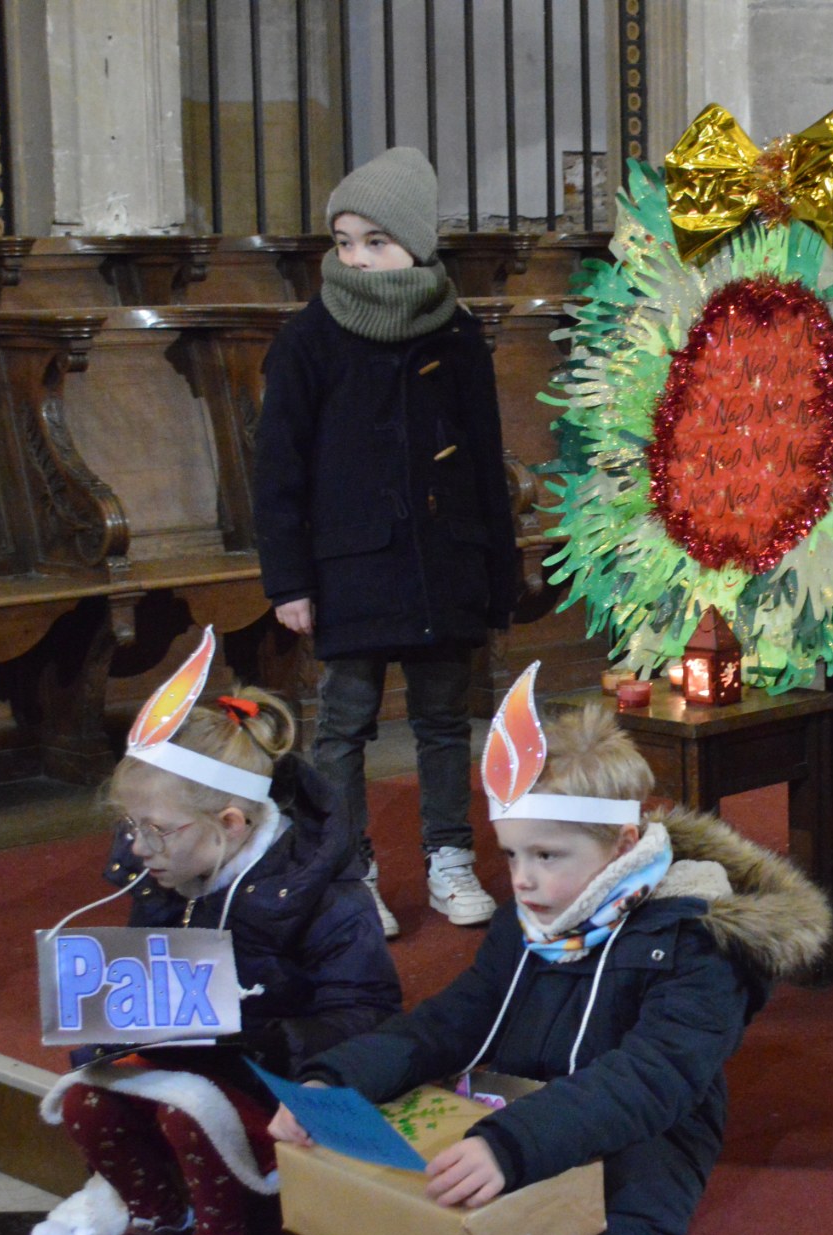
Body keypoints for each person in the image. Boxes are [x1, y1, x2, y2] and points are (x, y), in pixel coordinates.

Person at [269, 671, 833, 1235]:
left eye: (547, 856)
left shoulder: (698, 939)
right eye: (511, 853)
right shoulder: (531, 916)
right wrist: (338, 1081)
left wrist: (512, 1144)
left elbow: (652, 1079)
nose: (521, 880)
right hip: (504, 1119)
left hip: (631, 1152)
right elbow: (455, 1019)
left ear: (621, 845)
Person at [38, 636, 403, 1235]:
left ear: (231, 823)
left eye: (156, 830)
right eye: (130, 826)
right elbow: (144, 990)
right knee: (84, 1099)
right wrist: (101, 1025)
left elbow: (369, 1012)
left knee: (189, 1113)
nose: (139, 848)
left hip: (280, 1083)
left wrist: (256, 1033)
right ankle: (158, 1217)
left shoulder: (328, 898)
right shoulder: (162, 876)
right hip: (192, 1067)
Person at [253, 144, 520, 935]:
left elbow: (483, 458)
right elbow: (278, 467)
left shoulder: (456, 332)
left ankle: (449, 858)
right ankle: (349, 871)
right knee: (344, 724)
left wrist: (496, 573)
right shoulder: (311, 337)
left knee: (443, 719)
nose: (358, 258)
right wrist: (288, 582)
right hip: (351, 566)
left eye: (376, 240)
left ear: (416, 243)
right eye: (344, 242)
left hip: (443, 562)